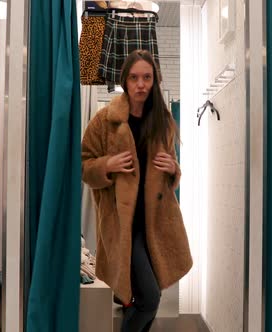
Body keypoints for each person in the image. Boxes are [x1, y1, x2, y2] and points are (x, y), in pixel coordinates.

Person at [81, 50, 193, 332]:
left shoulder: (162, 121)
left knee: (146, 297)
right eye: (134, 78)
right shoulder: (105, 121)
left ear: (154, 82)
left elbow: (169, 174)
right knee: (150, 299)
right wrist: (107, 164)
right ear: (125, 81)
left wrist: (173, 169)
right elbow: (83, 165)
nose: (141, 84)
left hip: (154, 223)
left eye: (147, 77)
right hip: (122, 224)